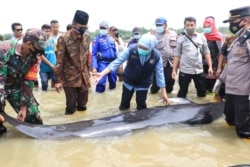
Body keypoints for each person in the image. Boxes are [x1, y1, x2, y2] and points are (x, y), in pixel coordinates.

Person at [93, 33, 170, 110]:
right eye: (140, 46)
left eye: (145, 48)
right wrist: (102, 73)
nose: (142, 49)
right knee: (124, 104)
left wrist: (164, 93)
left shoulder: (156, 56)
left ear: (151, 48)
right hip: (128, 81)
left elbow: (160, 74)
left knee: (141, 106)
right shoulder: (131, 49)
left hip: (144, 83)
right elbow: (117, 62)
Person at [0, 28, 47, 134]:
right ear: (29, 44)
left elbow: (29, 81)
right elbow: (0, 83)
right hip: (1, 85)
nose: (41, 52)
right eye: (39, 48)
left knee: (35, 120)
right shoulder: (4, 50)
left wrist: (24, 106)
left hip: (16, 86)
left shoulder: (35, 56)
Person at [213, 6, 250, 139]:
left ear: (244, 20)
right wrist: (221, 80)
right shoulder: (238, 38)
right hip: (231, 88)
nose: (230, 25)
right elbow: (232, 63)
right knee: (230, 120)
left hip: (243, 91)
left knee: (243, 130)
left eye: (232, 22)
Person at [54, 10, 91, 115]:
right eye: (80, 28)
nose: (82, 30)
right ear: (73, 24)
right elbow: (59, 61)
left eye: (85, 28)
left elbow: (87, 55)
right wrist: (58, 80)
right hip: (69, 78)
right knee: (70, 108)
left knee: (83, 107)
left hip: (83, 77)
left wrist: (89, 72)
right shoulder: (63, 38)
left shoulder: (87, 37)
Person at [172, 16, 213, 98]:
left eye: (192, 25)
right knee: (182, 92)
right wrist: (174, 70)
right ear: (184, 26)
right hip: (185, 70)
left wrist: (210, 67)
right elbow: (177, 55)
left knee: (202, 93)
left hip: (198, 70)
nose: (190, 27)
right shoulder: (180, 39)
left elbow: (206, 52)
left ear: (195, 25)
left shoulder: (201, 37)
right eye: (188, 25)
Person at [150, 17, 177, 94]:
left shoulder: (173, 34)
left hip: (171, 64)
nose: (158, 26)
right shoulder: (154, 35)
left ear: (165, 25)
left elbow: (178, 50)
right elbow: (151, 51)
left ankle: (168, 101)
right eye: (156, 25)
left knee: (170, 86)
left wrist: (177, 65)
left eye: (160, 25)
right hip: (159, 64)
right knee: (155, 86)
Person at [91, 21, 118, 93]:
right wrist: (94, 67)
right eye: (101, 28)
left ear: (108, 29)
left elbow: (115, 51)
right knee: (101, 83)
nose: (103, 29)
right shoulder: (96, 40)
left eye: (104, 28)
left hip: (112, 63)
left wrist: (119, 63)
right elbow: (94, 54)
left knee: (113, 82)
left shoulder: (112, 39)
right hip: (102, 63)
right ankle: (99, 99)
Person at [202, 16, 223, 93]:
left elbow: (221, 52)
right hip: (202, 63)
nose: (206, 28)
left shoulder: (217, 36)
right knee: (203, 85)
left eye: (208, 26)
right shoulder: (202, 36)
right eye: (205, 27)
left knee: (212, 86)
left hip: (214, 63)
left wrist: (219, 68)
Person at [39, 24, 57, 91]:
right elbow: (41, 56)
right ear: (42, 32)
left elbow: (54, 53)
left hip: (53, 68)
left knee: (58, 83)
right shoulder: (41, 42)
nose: (48, 33)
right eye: (46, 31)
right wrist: (51, 65)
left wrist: (56, 64)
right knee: (44, 84)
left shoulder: (52, 41)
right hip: (44, 69)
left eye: (49, 31)